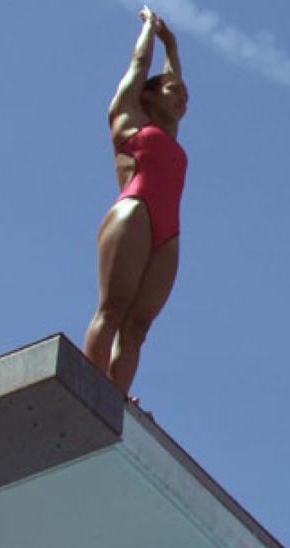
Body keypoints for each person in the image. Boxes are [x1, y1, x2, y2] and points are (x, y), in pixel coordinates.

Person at [84, 6, 189, 396]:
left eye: (186, 97)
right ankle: (88, 385)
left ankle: (116, 398)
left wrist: (174, 47)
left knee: (137, 328)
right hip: (135, 211)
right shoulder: (128, 118)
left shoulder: (169, 133)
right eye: (174, 91)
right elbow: (139, 64)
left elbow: (173, 80)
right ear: (147, 93)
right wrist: (150, 30)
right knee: (113, 309)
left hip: (169, 231)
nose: (183, 100)